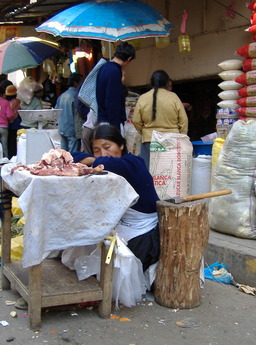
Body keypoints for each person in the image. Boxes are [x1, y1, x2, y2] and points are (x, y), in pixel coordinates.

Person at [72, 124, 160, 271]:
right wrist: (91, 159)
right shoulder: (107, 165)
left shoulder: (132, 163)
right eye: (97, 150)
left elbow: (109, 163)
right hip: (124, 227)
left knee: (115, 269)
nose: (103, 154)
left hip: (145, 235)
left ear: (121, 145)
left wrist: (92, 160)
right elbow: (73, 156)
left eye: (108, 147)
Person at [132, 70, 189, 169]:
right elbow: (183, 120)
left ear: (151, 82)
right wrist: (181, 136)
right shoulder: (173, 97)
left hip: (149, 140)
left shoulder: (143, 98)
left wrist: (145, 132)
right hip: (172, 140)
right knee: (169, 173)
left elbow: (136, 120)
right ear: (167, 83)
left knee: (150, 173)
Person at [96, 41, 136, 130]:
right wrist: (114, 129)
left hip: (103, 119)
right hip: (110, 122)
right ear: (128, 59)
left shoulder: (104, 67)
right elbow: (112, 102)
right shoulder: (114, 71)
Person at [55, 73, 83, 153]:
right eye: (81, 82)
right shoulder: (76, 96)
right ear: (75, 83)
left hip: (62, 127)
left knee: (63, 154)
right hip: (72, 128)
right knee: (72, 156)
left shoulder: (62, 96)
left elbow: (56, 111)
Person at [5, 85, 22, 158]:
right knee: (14, 143)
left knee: (9, 142)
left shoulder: (6, 102)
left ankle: (9, 156)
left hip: (8, 124)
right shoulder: (18, 101)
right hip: (17, 124)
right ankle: (14, 156)